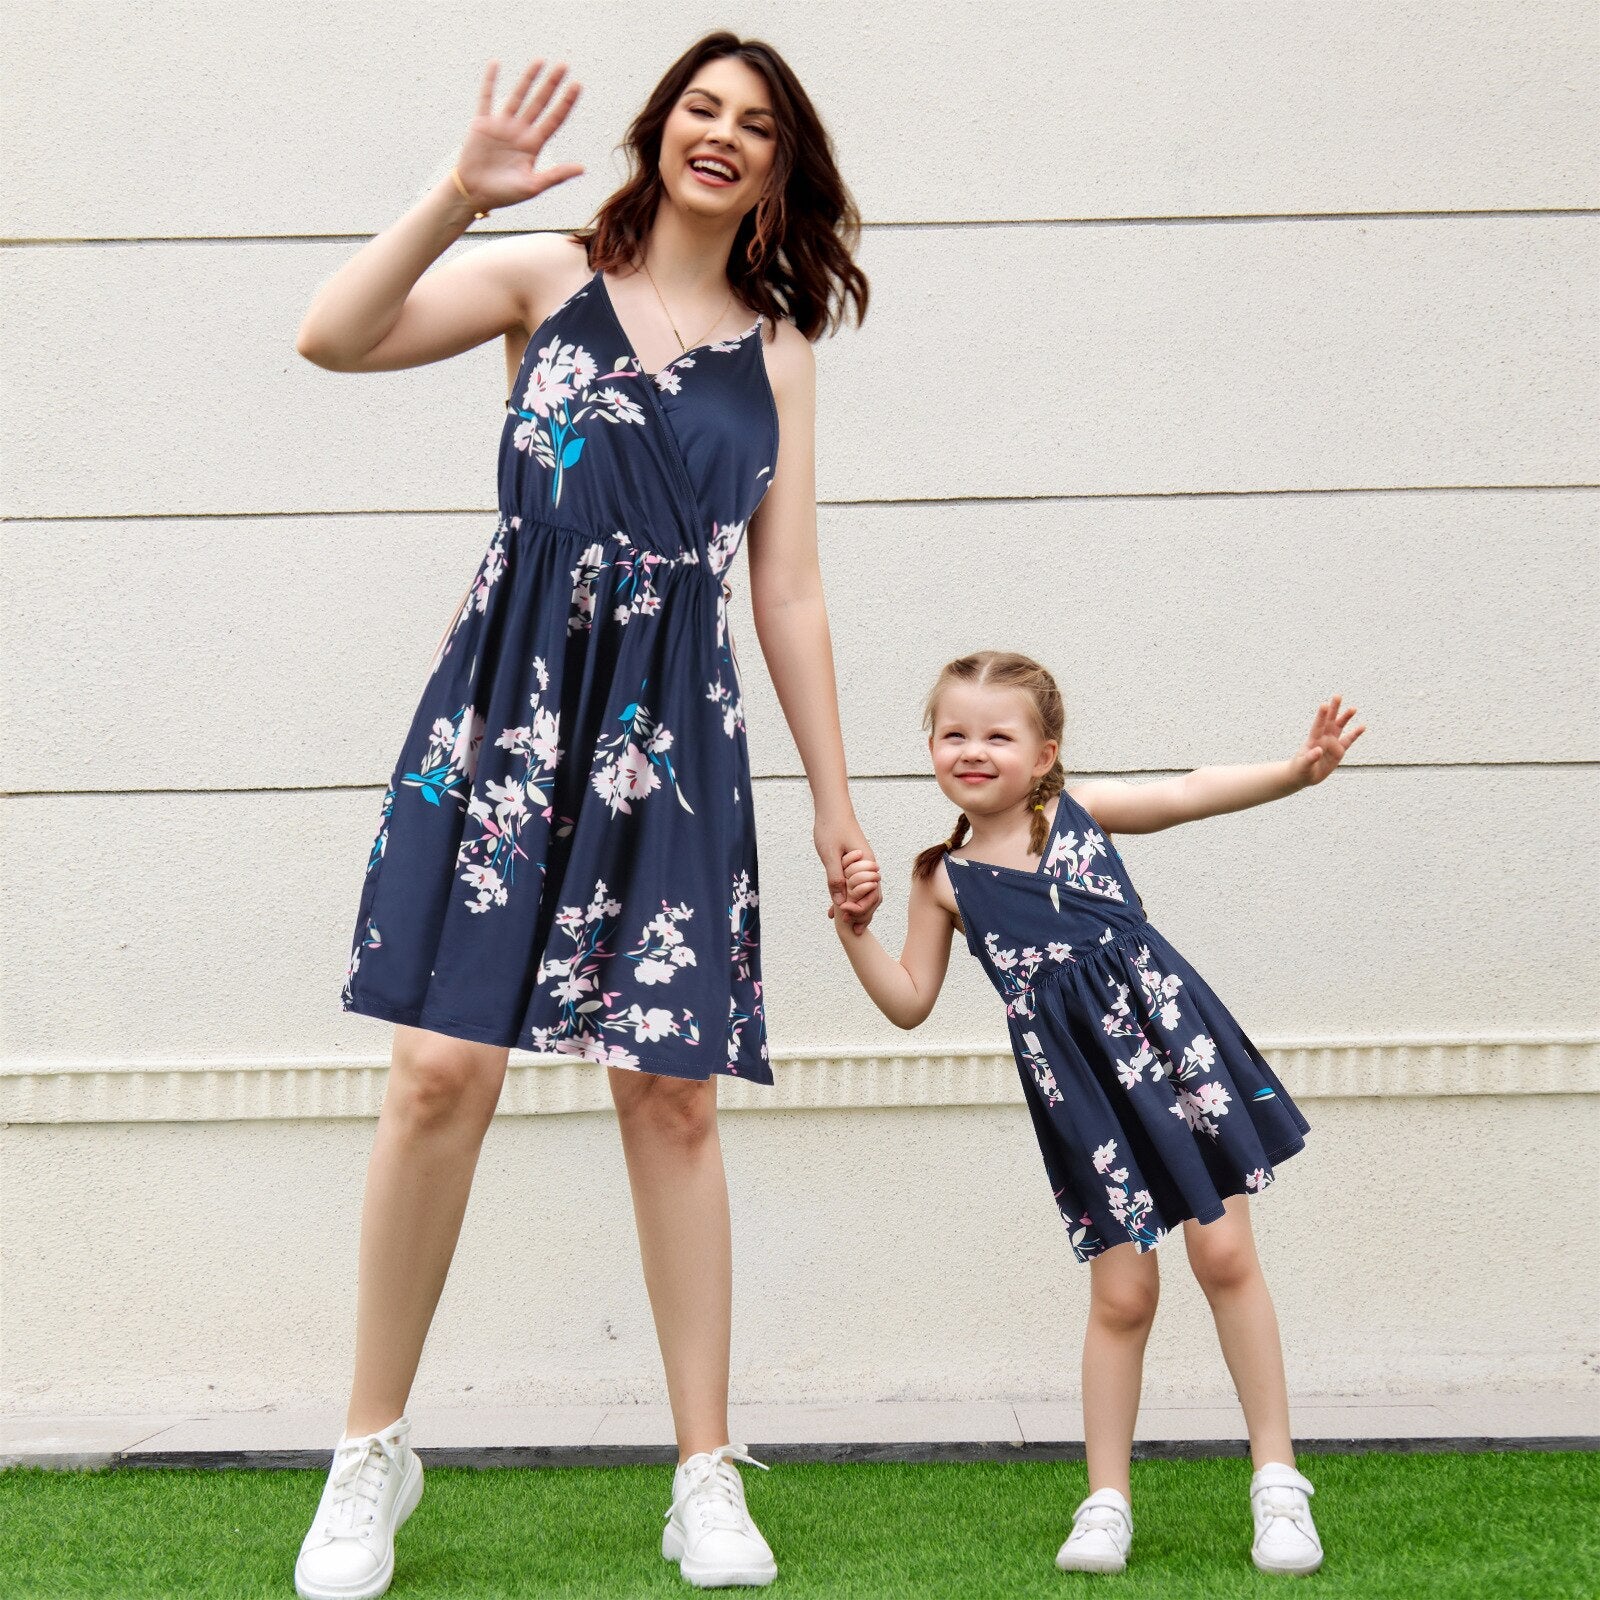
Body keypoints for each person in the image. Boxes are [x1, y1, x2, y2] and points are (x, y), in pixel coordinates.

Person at [292, 34, 878, 1598]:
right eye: (703, 107)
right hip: (507, 705)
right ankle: (371, 1452)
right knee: (436, 1070)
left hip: (674, 730)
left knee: (670, 1093)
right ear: (660, 126)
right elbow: (331, 338)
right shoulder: (544, 274)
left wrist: (835, 805)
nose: (724, 136)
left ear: (780, 167)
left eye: (757, 126)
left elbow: (793, 593)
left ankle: (704, 1471)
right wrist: (452, 195)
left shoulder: (782, 352)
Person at [828, 650, 1365, 1578]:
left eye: (1000, 734)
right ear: (929, 747)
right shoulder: (942, 880)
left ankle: (1278, 1486)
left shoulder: (1078, 815)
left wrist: (1294, 772)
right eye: (955, 733)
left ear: (1045, 756)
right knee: (1123, 1295)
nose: (974, 749)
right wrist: (852, 930)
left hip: (1170, 1050)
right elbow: (910, 1000)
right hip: (1082, 1094)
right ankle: (1105, 1501)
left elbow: (1190, 791)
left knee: (1226, 1254)